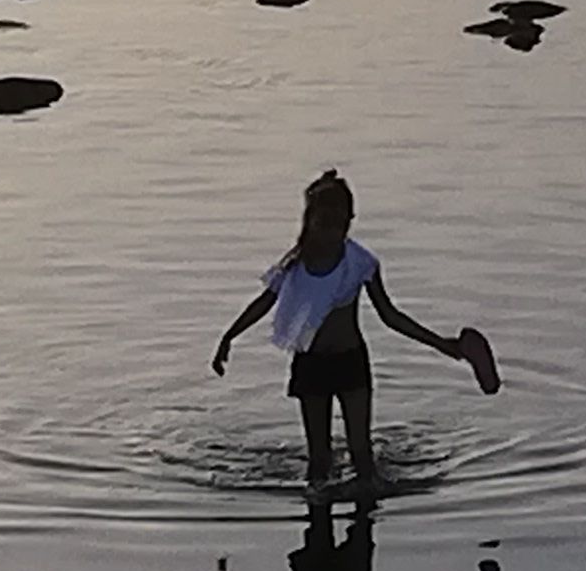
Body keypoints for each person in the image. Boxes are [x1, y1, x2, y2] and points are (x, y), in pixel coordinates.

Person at [209, 167, 496, 500]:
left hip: (350, 362)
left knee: (362, 454)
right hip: (310, 365)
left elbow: (390, 316)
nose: (332, 233)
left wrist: (444, 345)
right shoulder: (295, 266)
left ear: (350, 221)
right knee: (319, 460)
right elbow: (265, 302)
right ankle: (317, 528)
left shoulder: (359, 263)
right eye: (324, 223)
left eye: (341, 225)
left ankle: (364, 524)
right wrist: (229, 336)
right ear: (309, 221)